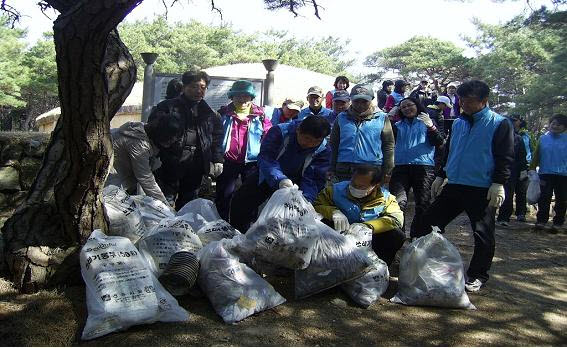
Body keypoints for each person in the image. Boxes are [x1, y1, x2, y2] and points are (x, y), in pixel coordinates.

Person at [415, 80, 514, 293]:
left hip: (482, 187)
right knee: (429, 222)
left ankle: (478, 275)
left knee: (482, 234)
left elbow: (505, 157)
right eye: (460, 100)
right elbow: (451, 151)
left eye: (468, 102)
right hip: (455, 184)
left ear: (483, 101)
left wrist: (498, 183)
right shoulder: (459, 123)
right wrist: (441, 175)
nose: (462, 105)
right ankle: (428, 264)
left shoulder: (499, 123)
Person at [229, 115, 331, 232]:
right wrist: (280, 179)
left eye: (316, 141)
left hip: (298, 183)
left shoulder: (324, 149)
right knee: (241, 203)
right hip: (268, 175)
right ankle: (238, 237)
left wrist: (306, 199)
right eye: (307, 139)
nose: (310, 144)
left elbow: (314, 177)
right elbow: (266, 158)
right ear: (298, 130)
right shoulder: (280, 132)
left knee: (289, 217)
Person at [148, 70, 224, 209]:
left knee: (189, 204)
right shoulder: (167, 107)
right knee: (163, 203)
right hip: (169, 162)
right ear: (184, 87)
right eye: (194, 86)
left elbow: (216, 139)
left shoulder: (211, 114)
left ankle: (183, 229)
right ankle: (161, 229)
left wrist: (217, 159)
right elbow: (152, 131)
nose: (198, 90)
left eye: (202, 87)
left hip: (196, 163)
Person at [313, 165, 405, 265]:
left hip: (370, 238)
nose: (355, 188)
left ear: (375, 185)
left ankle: (377, 266)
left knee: (397, 235)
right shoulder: (334, 190)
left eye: (361, 186)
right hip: (340, 235)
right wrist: (334, 212)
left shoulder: (386, 198)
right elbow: (317, 205)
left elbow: (396, 219)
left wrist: (368, 226)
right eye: (353, 183)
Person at [215, 80, 272, 220]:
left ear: (251, 97)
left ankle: (248, 226)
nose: (242, 100)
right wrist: (216, 158)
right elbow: (215, 136)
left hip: (252, 163)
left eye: (246, 96)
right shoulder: (223, 114)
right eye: (238, 96)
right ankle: (221, 223)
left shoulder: (261, 115)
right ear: (232, 97)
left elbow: (268, 137)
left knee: (250, 196)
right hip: (228, 160)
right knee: (224, 194)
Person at [389, 97, 445, 237]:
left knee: (423, 204)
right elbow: (386, 140)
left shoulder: (427, 122)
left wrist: (431, 126)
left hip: (424, 167)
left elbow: (439, 142)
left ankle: (417, 237)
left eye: (410, 105)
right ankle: (397, 236)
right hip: (401, 167)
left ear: (417, 105)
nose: (407, 109)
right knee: (397, 202)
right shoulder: (398, 125)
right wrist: (392, 112)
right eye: (403, 107)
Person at [106, 116, 182, 206]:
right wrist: (164, 206)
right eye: (168, 141)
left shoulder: (142, 130)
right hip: (111, 185)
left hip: (122, 180)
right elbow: (145, 178)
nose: (169, 144)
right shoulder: (138, 143)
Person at [329, 84, 395, 184]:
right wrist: (331, 168)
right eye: (356, 101)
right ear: (351, 100)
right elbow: (334, 144)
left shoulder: (381, 118)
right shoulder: (342, 117)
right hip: (344, 168)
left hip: (372, 168)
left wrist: (388, 170)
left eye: (364, 101)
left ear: (371, 100)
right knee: (342, 197)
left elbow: (388, 145)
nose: (360, 104)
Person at [529, 114, 567, 233]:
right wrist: (532, 168)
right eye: (553, 123)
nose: (555, 126)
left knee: (562, 199)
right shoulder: (543, 138)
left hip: (563, 175)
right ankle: (541, 221)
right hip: (545, 173)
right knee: (544, 197)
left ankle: (558, 222)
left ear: (564, 127)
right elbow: (536, 154)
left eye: (559, 124)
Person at [496, 116, 528, 226]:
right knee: (504, 194)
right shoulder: (494, 136)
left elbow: (522, 156)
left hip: (513, 170)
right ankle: (499, 217)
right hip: (497, 169)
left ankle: (505, 217)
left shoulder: (518, 138)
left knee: (511, 193)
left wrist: (523, 171)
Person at [514, 116, 535, 222]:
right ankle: (504, 216)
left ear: (520, 121)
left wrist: (531, 165)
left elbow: (532, 149)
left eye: (515, 120)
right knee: (508, 191)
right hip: (511, 166)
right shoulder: (506, 132)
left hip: (525, 165)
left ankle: (521, 213)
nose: (514, 122)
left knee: (522, 191)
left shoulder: (527, 135)